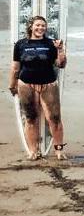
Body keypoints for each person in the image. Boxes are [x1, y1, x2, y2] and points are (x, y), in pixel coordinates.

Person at [9, 16, 67, 160]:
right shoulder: (20, 44)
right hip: (26, 84)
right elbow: (15, 67)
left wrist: (60, 50)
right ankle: (33, 151)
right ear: (31, 27)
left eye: (43, 26)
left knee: (54, 118)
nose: (40, 28)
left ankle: (59, 149)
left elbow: (61, 64)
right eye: (37, 25)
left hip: (48, 83)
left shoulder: (51, 44)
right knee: (30, 118)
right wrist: (12, 85)